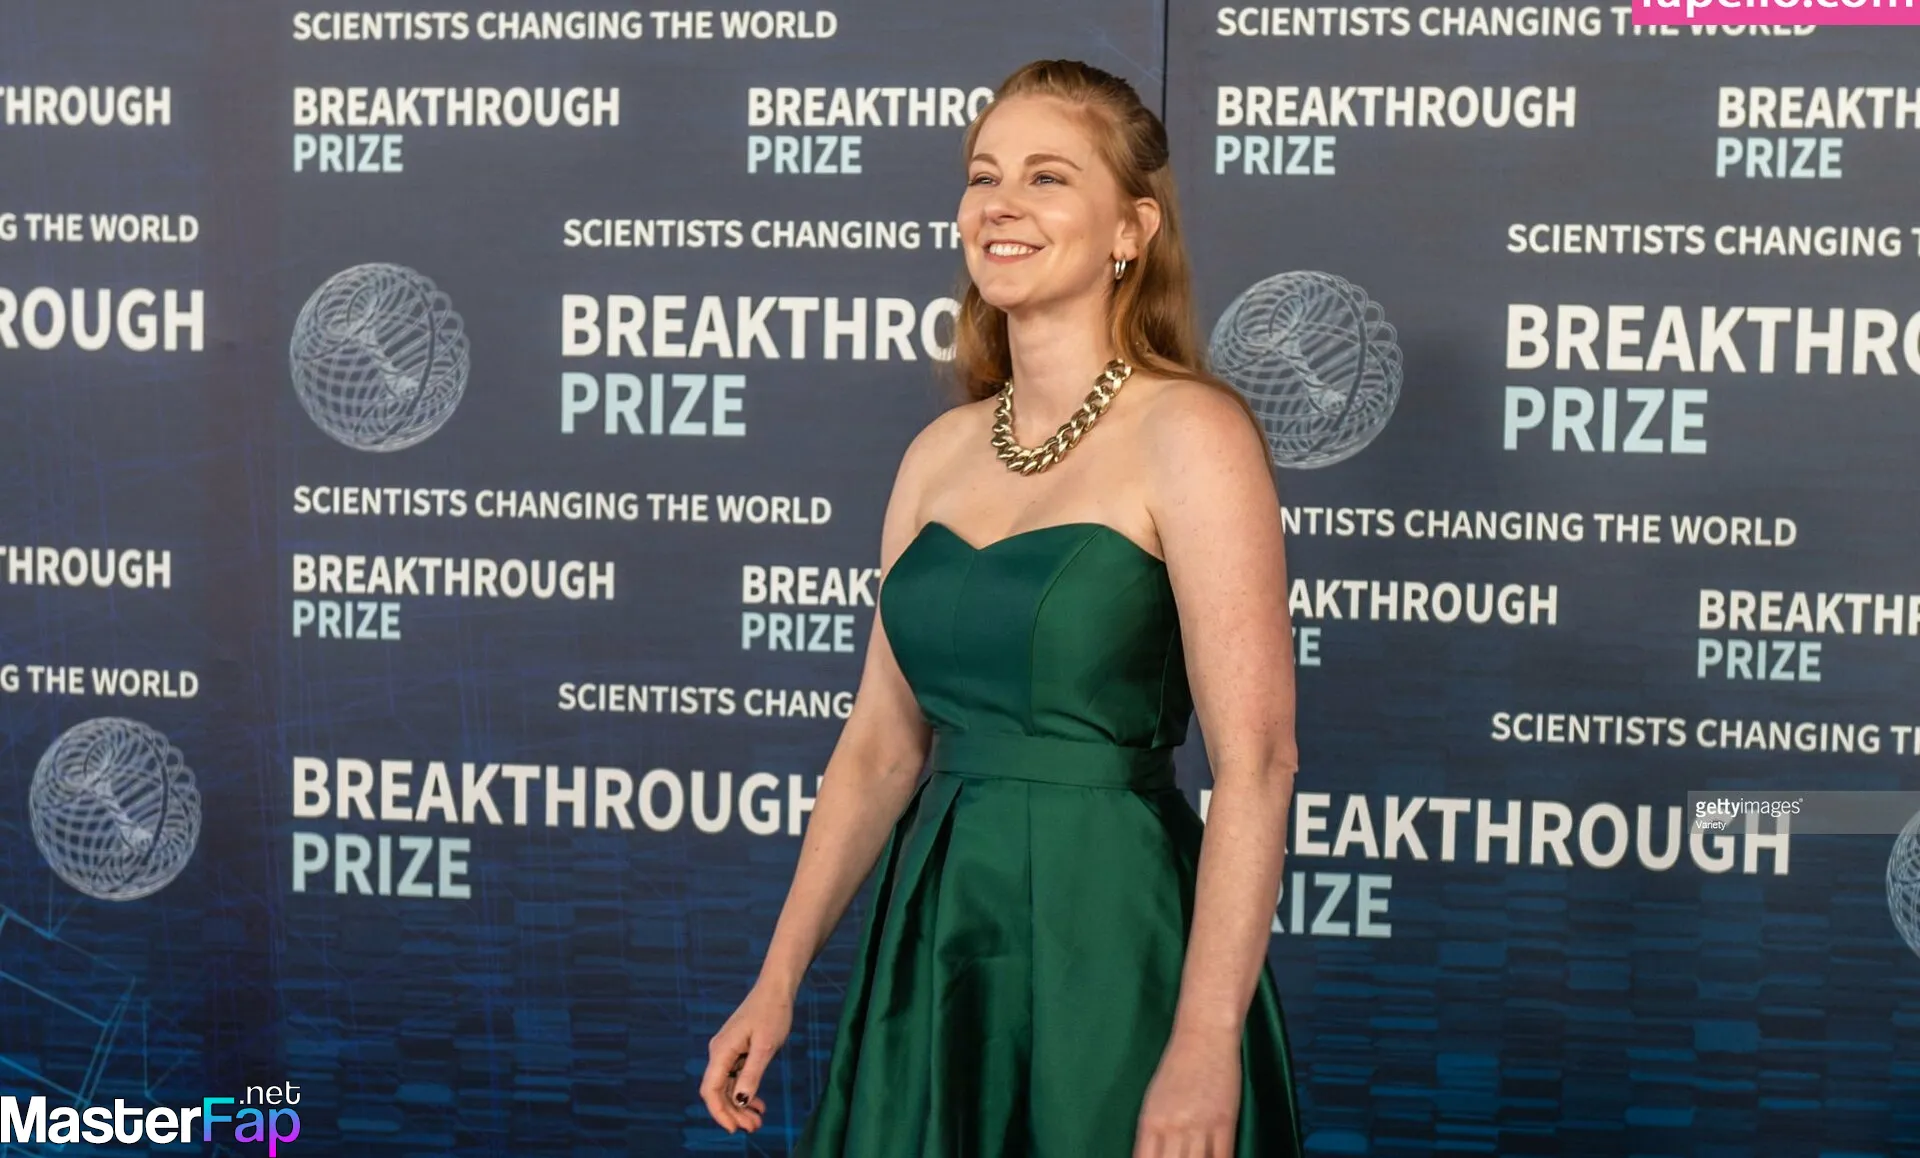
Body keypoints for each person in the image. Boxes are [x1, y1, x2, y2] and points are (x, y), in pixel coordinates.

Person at [700, 58, 1305, 1158]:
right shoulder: (935, 454)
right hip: (938, 936)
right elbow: (881, 749)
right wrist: (776, 979)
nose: (1001, 205)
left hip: (1113, 940)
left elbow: (1257, 762)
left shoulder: (1192, 435)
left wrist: (1205, 1038)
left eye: (1047, 177)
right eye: (984, 176)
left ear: (1132, 229)